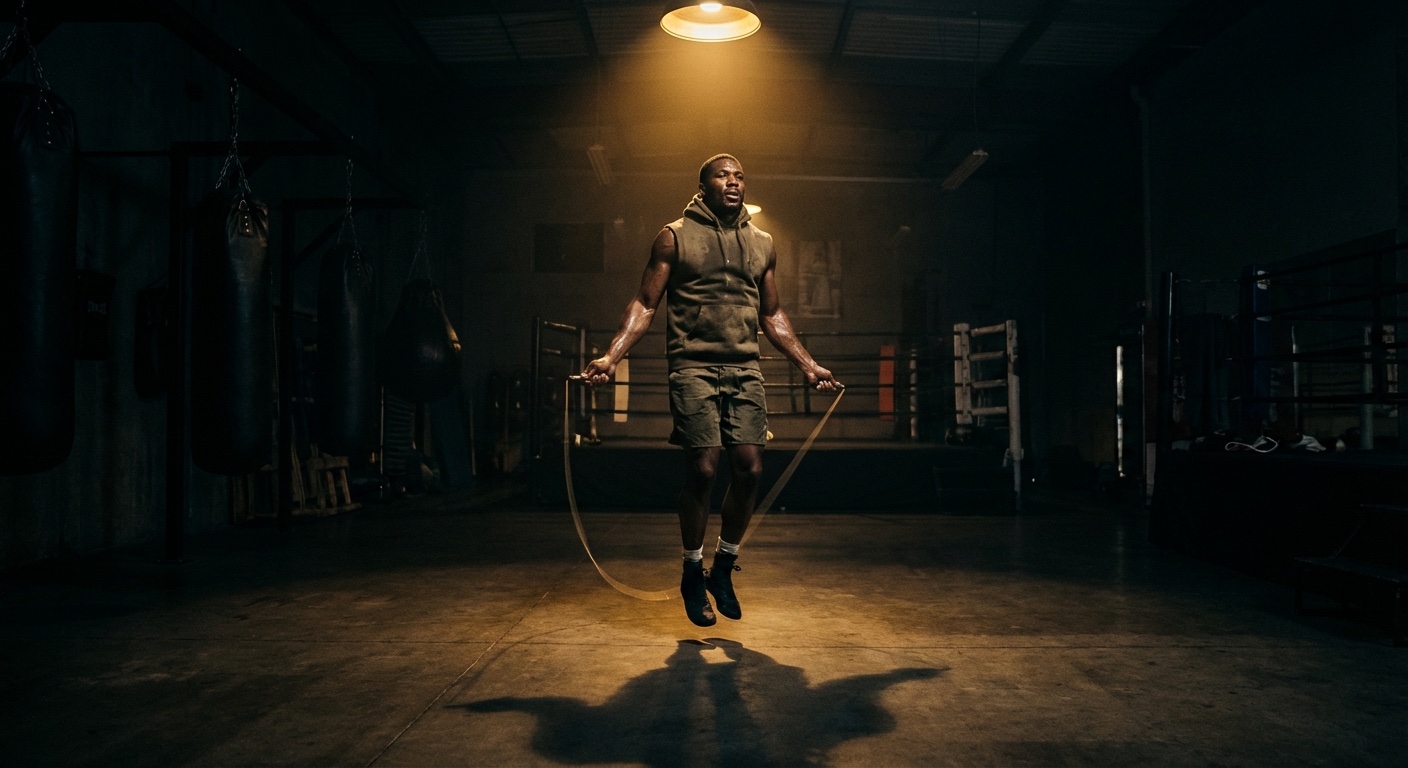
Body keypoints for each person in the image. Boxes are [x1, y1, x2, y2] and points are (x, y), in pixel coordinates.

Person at [580, 153, 840, 627]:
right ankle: (691, 572)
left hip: (744, 367)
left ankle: (723, 569)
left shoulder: (762, 242)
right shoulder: (673, 236)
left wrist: (809, 364)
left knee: (750, 468)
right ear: (703, 185)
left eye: (740, 175)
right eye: (723, 175)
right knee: (702, 468)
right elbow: (644, 303)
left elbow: (772, 314)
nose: (734, 182)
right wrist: (610, 356)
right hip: (693, 367)